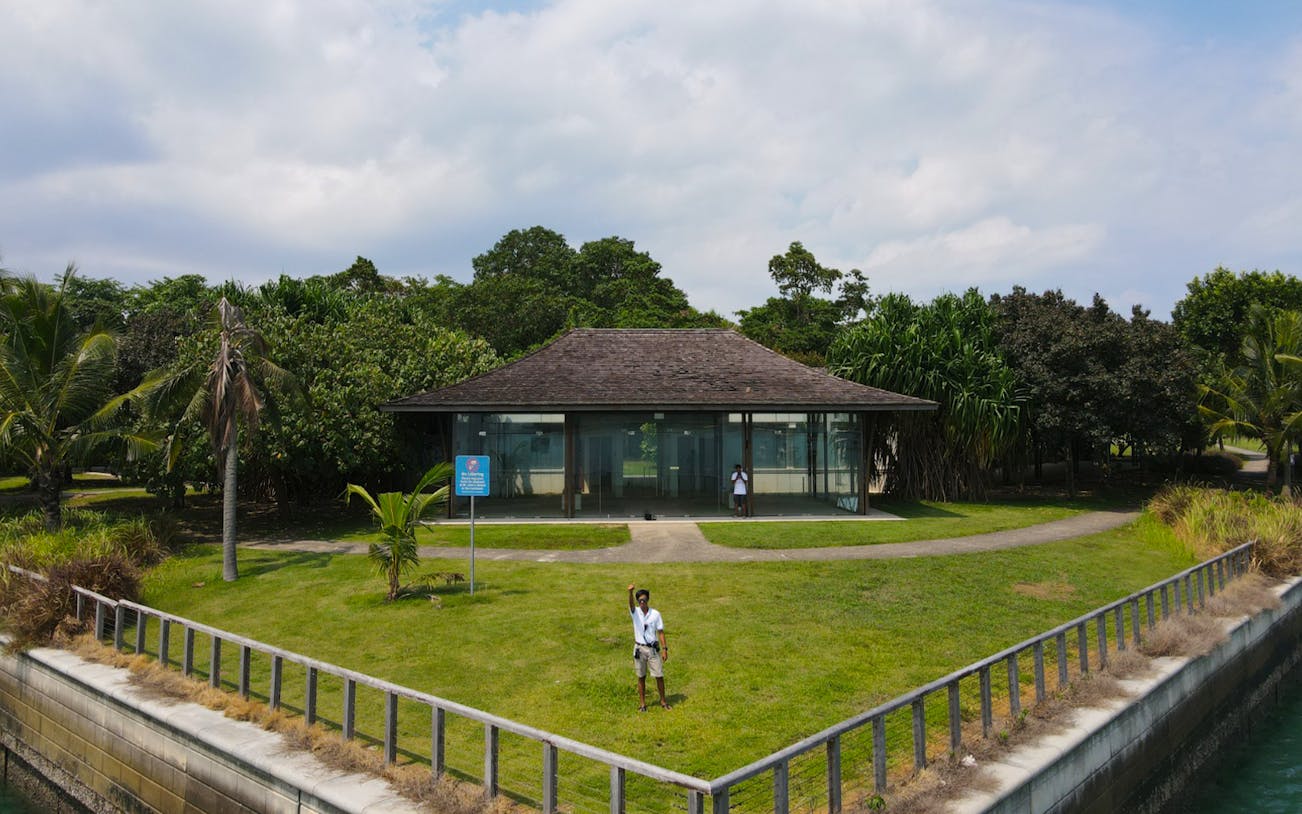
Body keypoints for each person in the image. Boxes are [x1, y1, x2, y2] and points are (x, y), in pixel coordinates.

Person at [627, 584, 670, 711]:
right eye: (640, 600)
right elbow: (630, 605)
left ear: (648, 600)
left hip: (652, 649)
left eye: (644, 600)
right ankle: (642, 705)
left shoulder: (655, 614)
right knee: (641, 677)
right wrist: (630, 593)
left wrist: (664, 649)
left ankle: (663, 702)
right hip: (639, 649)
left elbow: (660, 632)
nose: (642, 602)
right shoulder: (635, 612)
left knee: (659, 675)